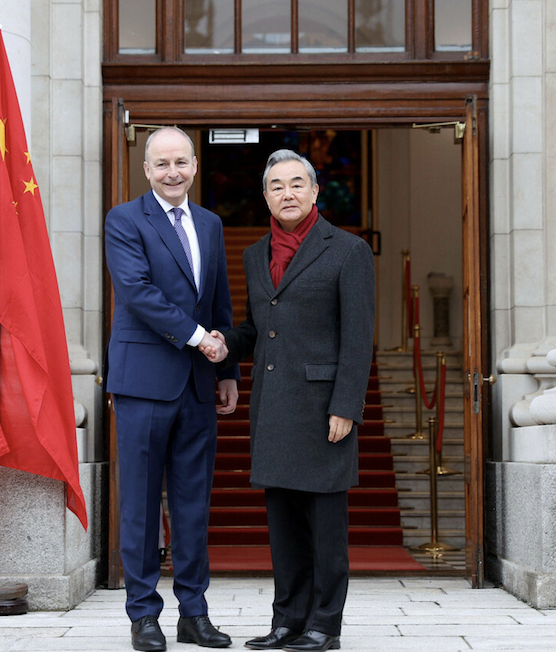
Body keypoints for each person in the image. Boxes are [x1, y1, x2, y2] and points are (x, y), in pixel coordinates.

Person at [206, 149, 375, 651]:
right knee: (283, 526)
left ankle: (325, 626)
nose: (287, 193)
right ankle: (287, 621)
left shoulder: (348, 250)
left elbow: (358, 337)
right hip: (274, 408)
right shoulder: (255, 254)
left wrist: (346, 405)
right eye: (277, 186)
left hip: (324, 410)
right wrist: (224, 343)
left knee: (325, 528)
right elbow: (258, 327)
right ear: (265, 197)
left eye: (297, 183)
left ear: (315, 191)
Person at [104, 126, 237, 652]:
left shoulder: (210, 223)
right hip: (142, 383)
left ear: (195, 166)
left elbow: (219, 299)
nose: (172, 172)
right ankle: (143, 616)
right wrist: (200, 339)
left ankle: (194, 614)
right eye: (161, 164)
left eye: (181, 162)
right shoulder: (124, 219)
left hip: (199, 385)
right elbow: (136, 291)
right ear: (147, 170)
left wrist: (228, 372)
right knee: (139, 505)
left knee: (192, 505)